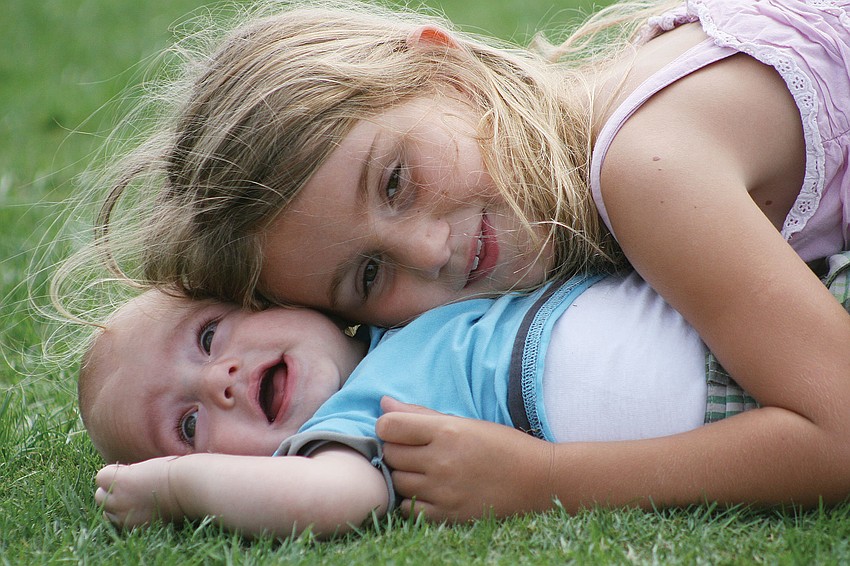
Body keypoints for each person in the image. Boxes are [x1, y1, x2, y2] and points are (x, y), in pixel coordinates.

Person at [69, 0, 850, 524]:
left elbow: (839, 432)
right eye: (369, 276)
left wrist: (546, 481)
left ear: (444, 70)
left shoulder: (647, 167)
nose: (429, 250)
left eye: (396, 181)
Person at [86, 269, 754, 538]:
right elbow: (320, 500)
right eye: (189, 424)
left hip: (746, 311)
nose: (219, 382)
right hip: (736, 409)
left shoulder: (402, 300)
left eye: (208, 337)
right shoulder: (359, 420)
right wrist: (172, 488)